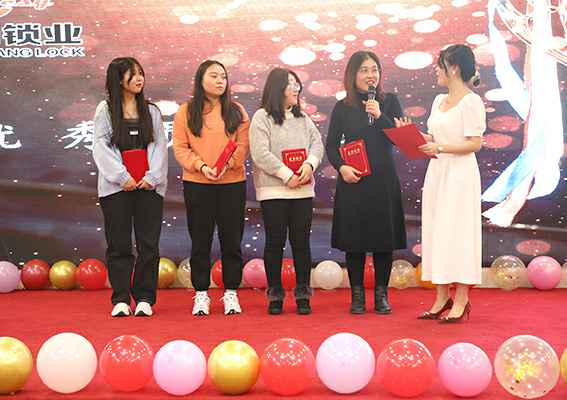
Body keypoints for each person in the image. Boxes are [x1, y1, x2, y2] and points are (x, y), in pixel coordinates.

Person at [325, 51, 407, 314]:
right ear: (353, 74)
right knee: (355, 240)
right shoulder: (343, 107)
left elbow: (401, 140)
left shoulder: (390, 101)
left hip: (383, 180)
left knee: (384, 239)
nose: (371, 75)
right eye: (364, 70)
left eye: (374, 70)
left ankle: (381, 295)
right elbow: (331, 145)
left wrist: (380, 115)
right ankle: (357, 295)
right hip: (354, 180)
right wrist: (342, 167)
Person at [413, 44, 485, 323]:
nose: (436, 70)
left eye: (440, 65)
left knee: (459, 232)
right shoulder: (438, 100)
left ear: (453, 68)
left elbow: (474, 143)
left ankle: (462, 298)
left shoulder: (471, 102)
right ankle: (441, 297)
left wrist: (440, 147)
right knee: (437, 230)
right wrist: (411, 134)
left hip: (460, 175)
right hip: (438, 172)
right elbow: (434, 137)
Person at [173, 60, 249, 316]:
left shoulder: (236, 111)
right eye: (214, 76)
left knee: (232, 240)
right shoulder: (186, 112)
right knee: (200, 240)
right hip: (198, 184)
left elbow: (242, 146)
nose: (220, 81)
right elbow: (180, 148)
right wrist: (202, 166)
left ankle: (231, 293)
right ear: (200, 80)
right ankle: (201, 294)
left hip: (232, 184)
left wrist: (227, 166)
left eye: (223, 77)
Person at [93, 57, 168, 317]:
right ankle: (121, 299)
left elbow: (159, 146)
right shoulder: (105, 110)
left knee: (149, 244)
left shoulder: (152, 111)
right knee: (119, 244)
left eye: (140, 73)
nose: (139, 78)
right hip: (116, 189)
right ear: (118, 79)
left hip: (149, 187)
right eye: (132, 74)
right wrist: (121, 176)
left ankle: (145, 298)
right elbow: (101, 146)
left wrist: (152, 177)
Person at [249, 68, 324, 315]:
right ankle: (275, 295)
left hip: (302, 191)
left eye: (297, 83)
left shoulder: (303, 118)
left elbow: (317, 144)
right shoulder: (262, 117)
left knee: (301, 243)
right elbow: (260, 153)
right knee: (275, 242)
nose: (296, 88)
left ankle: (303, 294)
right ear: (277, 88)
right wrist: (286, 175)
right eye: (290, 83)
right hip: (274, 191)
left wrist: (309, 165)